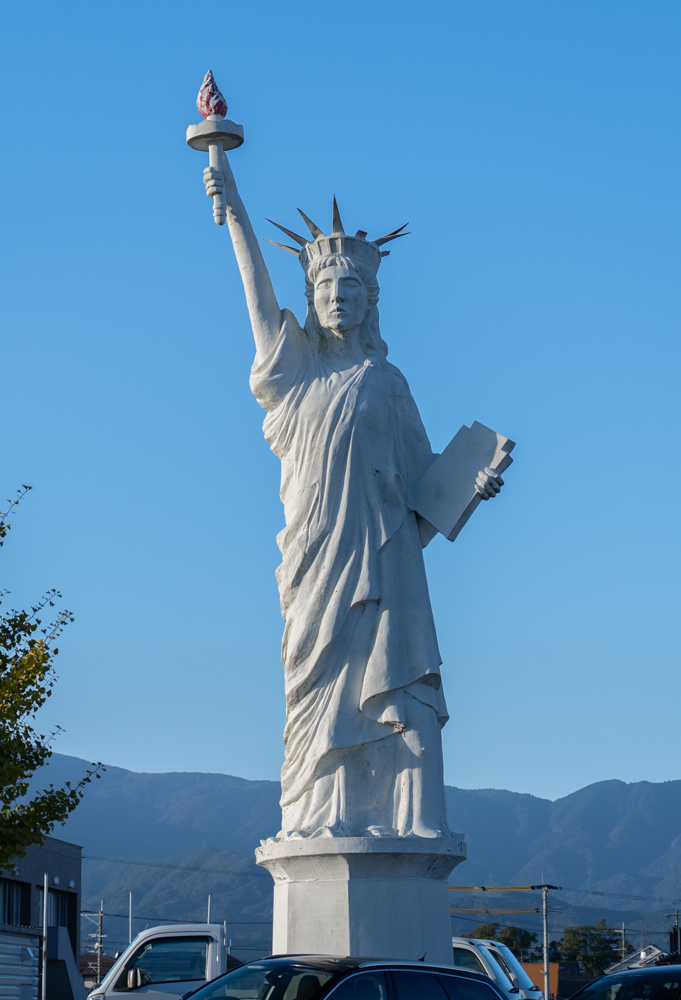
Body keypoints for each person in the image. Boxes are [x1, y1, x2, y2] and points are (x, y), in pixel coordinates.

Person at [203, 152, 503, 840]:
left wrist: (475, 490)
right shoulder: (294, 374)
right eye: (327, 287)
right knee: (320, 686)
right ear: (311, 298)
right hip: (314, 561)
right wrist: (232, 205)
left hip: (387, 557)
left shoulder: (388, 383)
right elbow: (253, 292)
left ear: (372, 300)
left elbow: (428, 493)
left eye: (353, 288)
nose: (339, 296)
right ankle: (325, 816)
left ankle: (406, 822)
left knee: (394, 682)